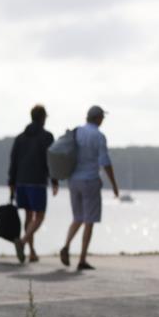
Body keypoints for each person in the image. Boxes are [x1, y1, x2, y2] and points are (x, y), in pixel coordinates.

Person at [61, 105, 119, 271]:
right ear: (98, 118)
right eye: (102, 117)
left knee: (77, 217)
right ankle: (82, 259)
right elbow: (105, 162)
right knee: (89, 220)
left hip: (73, 180)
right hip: (90, 181)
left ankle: (66, 245)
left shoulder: (77, 132)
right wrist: (114, 185)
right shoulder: (99, 136)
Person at [7, 104, 59, 263]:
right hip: (37, 182)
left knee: (28, 215)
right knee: (40, 216)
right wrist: (54, 180)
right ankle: (22, 243)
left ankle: (32, 252)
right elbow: (51, 160)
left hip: (21, 181)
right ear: (43, 118)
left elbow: (13, 161)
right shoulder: (47, 137)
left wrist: (12, 182)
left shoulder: (20, 138)